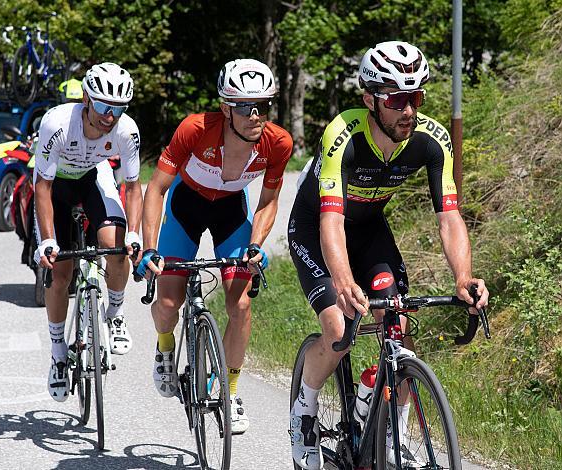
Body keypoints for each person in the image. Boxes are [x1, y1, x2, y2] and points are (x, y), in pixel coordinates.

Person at [287, 41, 490, 469]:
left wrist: (463, 277)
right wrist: (342, 282)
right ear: (369, 100)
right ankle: (304, 411)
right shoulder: (343, 135)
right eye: (397, 99)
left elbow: (449, 217)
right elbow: (330, 222)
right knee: (341, 330)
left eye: (415, 97)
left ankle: (387, 427)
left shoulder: (432, 141)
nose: (408, 110)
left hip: (370, 231)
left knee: (397, 327)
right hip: (316, 228)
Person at [136, 58, 293, 434]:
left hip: (230, 213)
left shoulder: (278, 142)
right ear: (226, 108)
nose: (257, 116)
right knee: (169, 302)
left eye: (264, 106)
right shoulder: (195, 129)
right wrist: (150, 247)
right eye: (246, 107)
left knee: (240, 304)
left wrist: (256, 245)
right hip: (186, 206)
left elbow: (269, 202)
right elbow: (155, 188)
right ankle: (164, 347)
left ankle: (229, 389)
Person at [34, 62, 143, 402]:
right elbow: (42, 187)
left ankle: (115, 311)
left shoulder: (127, 131)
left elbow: (134, 186)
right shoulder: (57, 124)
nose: (110, 116)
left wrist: (136, 234)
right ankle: (57, 353)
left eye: (118, 109)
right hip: (57, 188)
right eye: (103, 106)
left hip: (94, 179)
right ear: (85, 99)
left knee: (116, 245)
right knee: (60, 272)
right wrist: (48, 240)